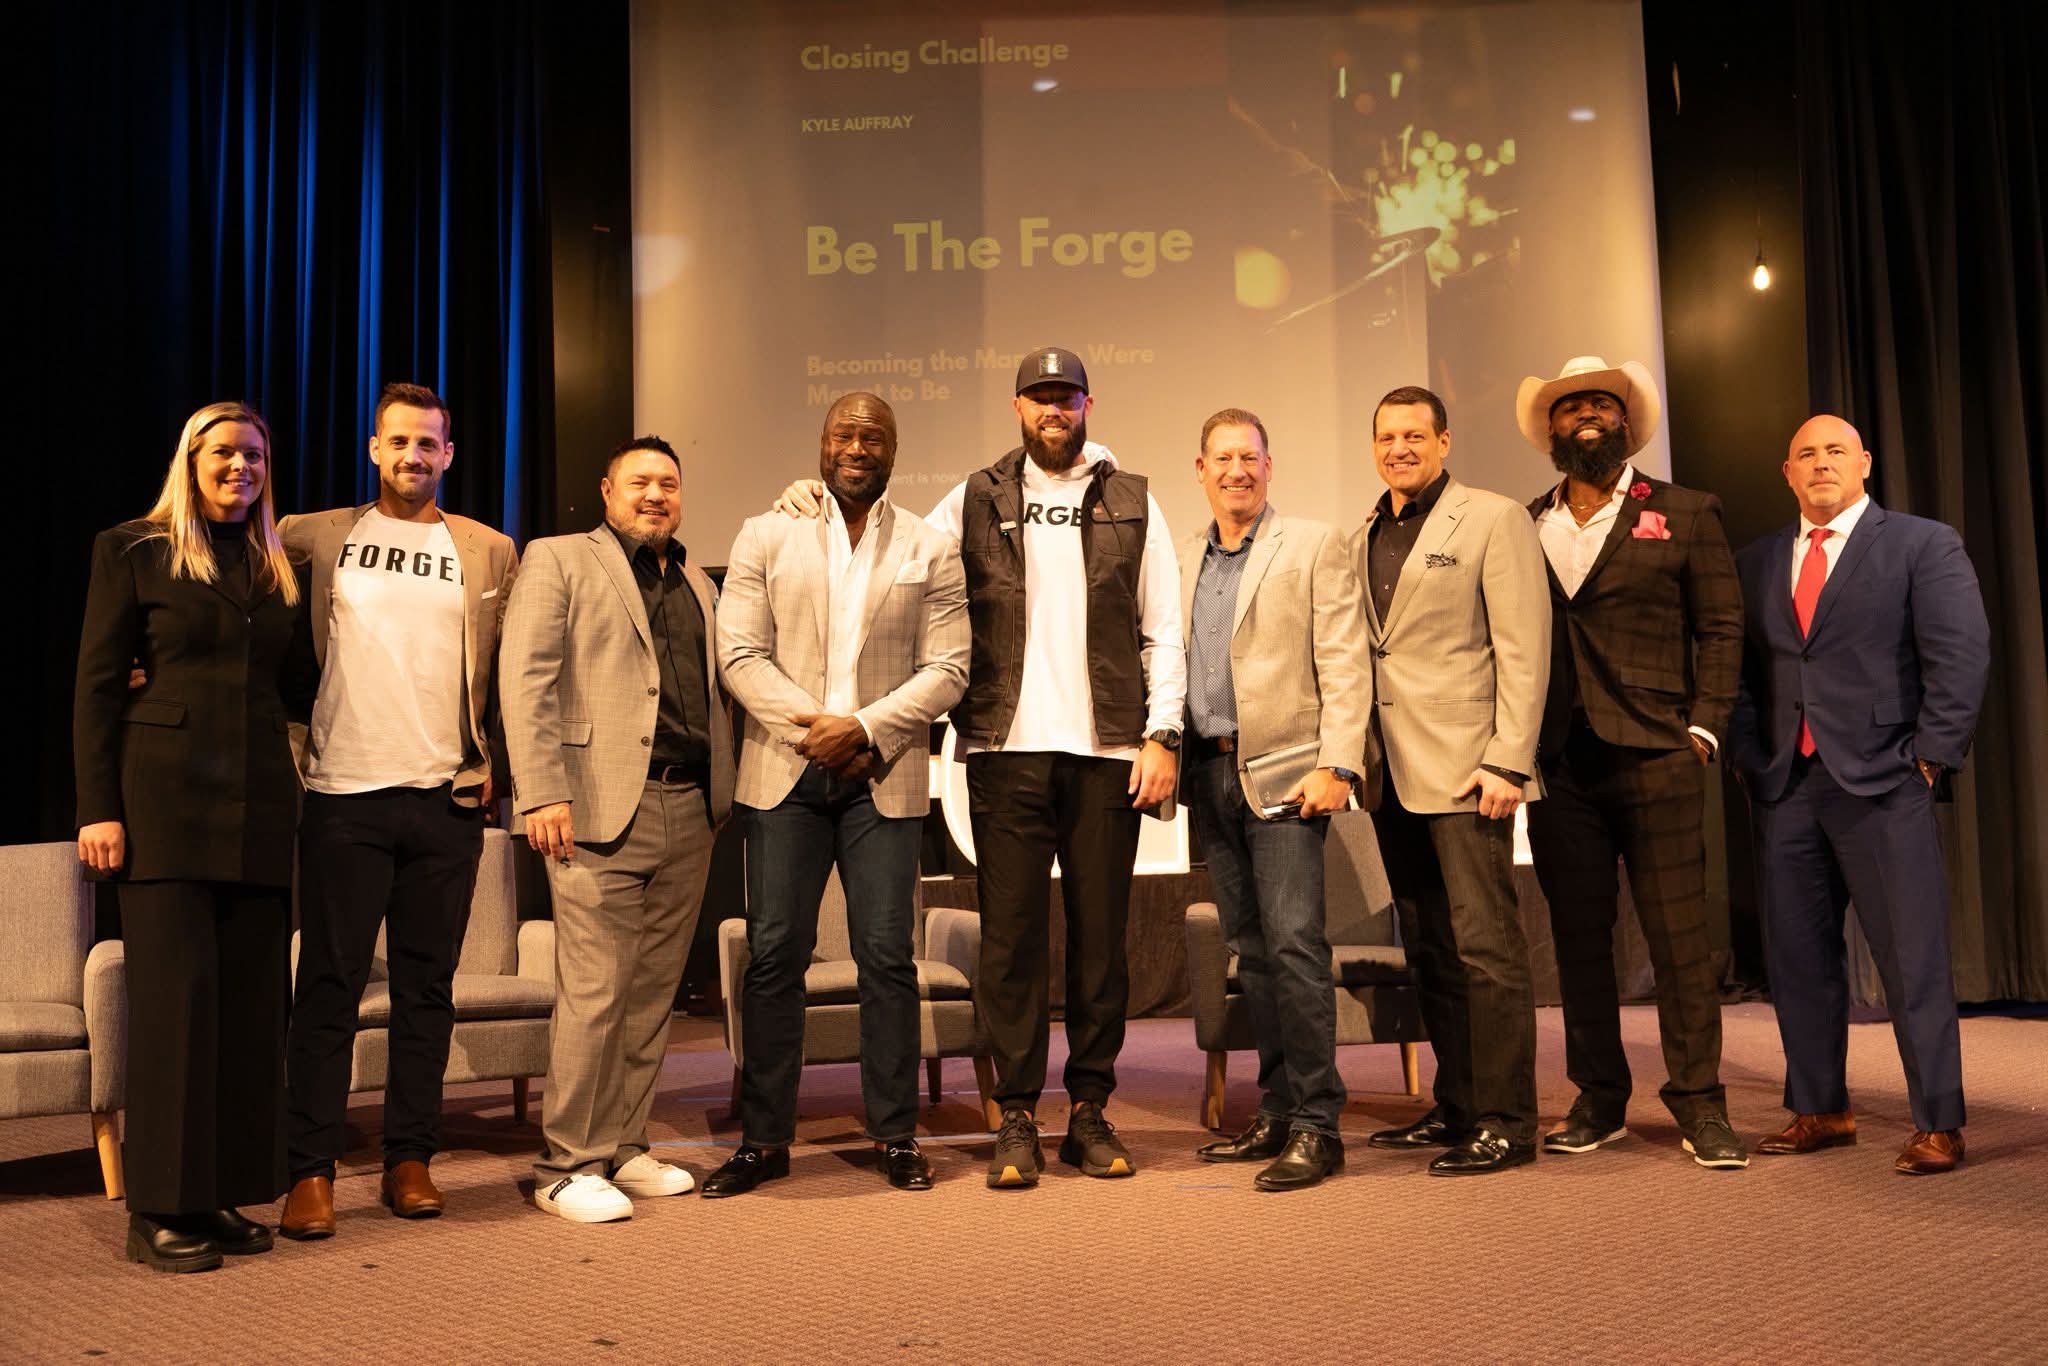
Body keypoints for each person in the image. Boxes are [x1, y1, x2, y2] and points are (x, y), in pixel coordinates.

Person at [773, 347, 1185, 1188]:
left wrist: (1163, 733)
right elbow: (886, 550)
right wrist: (810, 504)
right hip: (1003, 752)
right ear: (1017, 408)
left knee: (1104, 946)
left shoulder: (1137, 500)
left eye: (1065, 397)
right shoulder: (973, 498)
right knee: (1011, 945)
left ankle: (1092, 1111)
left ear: (1087, 404)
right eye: (1039, 398)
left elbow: (1163, 628)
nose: (1052, 411)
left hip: (1108, 754)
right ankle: (1020, 1116)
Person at [705, 392, 969, 1197]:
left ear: (894, 449)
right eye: (844, 433)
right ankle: (763, 1139)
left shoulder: (933, 545)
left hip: (881, 778)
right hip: (784, 773)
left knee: (886, 959)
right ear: (821, 444)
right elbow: (740, 653)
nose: (858, 446)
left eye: (873, 436)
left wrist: (861, 727)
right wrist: (814, 728)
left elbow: (950, 667)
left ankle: (894, 1135)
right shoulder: (765, 532)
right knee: (776, 952)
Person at [74, 401, 315, 1271]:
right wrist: (97, 807)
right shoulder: (131, 549)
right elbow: (98, 688)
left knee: (249, 1014)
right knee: (177, 1010)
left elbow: (299, 686)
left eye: (253, 456)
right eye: (224, 454)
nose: (239, 468)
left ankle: (218, 1196)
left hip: (257, 806)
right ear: (191, 458)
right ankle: (160, 1210)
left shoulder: (276, 565)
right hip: (161, 808)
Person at [277, 382, 520, 1239]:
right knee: (329, 988)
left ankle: (409, 1156)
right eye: (399, 442)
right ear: (373, 449)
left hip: (445, 798)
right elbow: (228, 613)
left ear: (448, 455)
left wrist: (502, 768)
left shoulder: (490, 550)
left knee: (428, 991)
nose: (414, 457)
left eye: (430, 444)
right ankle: (307, 1171)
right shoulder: (310, 537)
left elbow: (513, 671)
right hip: (341, 793)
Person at [1727, 414, 1990, 1175]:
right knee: (1798, 958)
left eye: (1835, 451)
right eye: (1805, 454)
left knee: (1913, 961)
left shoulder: (1920, 542)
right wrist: (1749, 756)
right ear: (1786, 472)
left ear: (1864, 463)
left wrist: (1932, 757)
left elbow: (1960, 654)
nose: (1820, 464)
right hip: (1786, 786)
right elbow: (1741, 675)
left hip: (1885, 781)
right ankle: (1821, 1108)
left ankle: (1939, 1120)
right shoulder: (1757, 560)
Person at [1514, 355, 1748, 1170]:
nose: (1585, 416)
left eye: (1600, 405)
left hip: (1658, 753)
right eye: (1569, 406)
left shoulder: (1685, 510)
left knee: (1681, 942)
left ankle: (1700, 1103)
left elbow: (1721, 628)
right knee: (1579, 940)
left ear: (1626, 424)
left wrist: (1706, 730)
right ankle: (1599, 1096)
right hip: (1558, 763)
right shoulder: (1523, 520)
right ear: (1550, 431)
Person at [500, 436, 737, 1223]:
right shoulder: (560, 558)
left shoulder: (699, 583)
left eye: (669, 483)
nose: (655, 494)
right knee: (595, 992)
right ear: (607, 491)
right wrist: (540, 791)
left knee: (651, 993)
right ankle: (565, 1163)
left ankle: (625, 1146)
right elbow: (526, 678)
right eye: (640, 481)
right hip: (595, 807)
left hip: (688, 806)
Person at [1351, 386, 1550, 1176]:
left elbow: (1524, 648)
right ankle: (1459, 1104)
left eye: (1413, 435)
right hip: (1393, 775)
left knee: (1487, 950)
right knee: (1433, 949)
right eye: (1386, 436)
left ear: (1443, 441)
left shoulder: (1494, 518)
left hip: (1472, 771)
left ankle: (1509, 1119)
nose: (1399, 448)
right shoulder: (1364, 530)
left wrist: (1509, 758)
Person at [1179, 409, 1371, 1191]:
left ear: (1269, 465)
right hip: (1209, 774)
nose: (1237, 471)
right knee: (1252, 954)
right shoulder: (1182, 555)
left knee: (1294, 947)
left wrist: (1341, 766)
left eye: (1249, 457)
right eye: (1222, 458)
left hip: (1290, 776)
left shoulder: (1315, 543)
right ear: (1200, 470)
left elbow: (1346, 660)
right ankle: (1279, 1108)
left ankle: (1320, 1125)